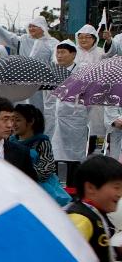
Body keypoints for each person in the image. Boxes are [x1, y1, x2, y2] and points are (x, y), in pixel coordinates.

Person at [0, 13, 58, 111]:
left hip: (42, 84)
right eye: (29, 26)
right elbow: (9, 37)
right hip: (23, 82)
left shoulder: (52, 43)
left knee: (42, 110)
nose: (31, 28)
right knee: (23, 109)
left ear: (42, 27)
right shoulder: (23, 40)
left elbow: (56, 61)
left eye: (34, 26)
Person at [51, 40, 90, 185]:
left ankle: (74, 187)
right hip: (57, 118)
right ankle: (57, 187)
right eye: (58, 52)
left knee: (74, 155)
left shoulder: (83, 70)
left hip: (76, 119)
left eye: (63, 52)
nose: (59, 56)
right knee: (56, 152)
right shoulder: (54, 70)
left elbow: (88, 96)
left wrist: (79, 110)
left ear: (73, 54)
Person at [13, 104, 58, 185]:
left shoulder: (42, 142)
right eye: (12, 120)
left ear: (31, 121)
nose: (13, 124)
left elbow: (46, 170)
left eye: (18, 120)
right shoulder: (10, 141)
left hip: (38, 188)